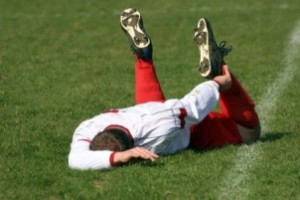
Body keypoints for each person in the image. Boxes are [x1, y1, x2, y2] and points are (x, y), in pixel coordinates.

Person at [68, 8, 260, 170]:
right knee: (154, 109)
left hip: (182, 127)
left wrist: (218, 83)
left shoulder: (161, 126)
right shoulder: (87, 128)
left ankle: (219, 68)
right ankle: (143, 57)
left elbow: (192, 106)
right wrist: (118, 156)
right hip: (149, 114)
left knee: (249, 133)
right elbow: (74, 160)